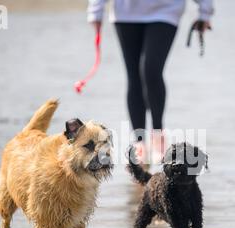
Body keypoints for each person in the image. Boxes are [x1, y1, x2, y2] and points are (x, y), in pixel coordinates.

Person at [87, 0, 214, 164]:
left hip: (166, 10)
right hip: (125, 13)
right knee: (134, 76)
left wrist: (205, 11)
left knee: (151, 70)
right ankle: (139, 142)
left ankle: (158, 135)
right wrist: (95, 11)